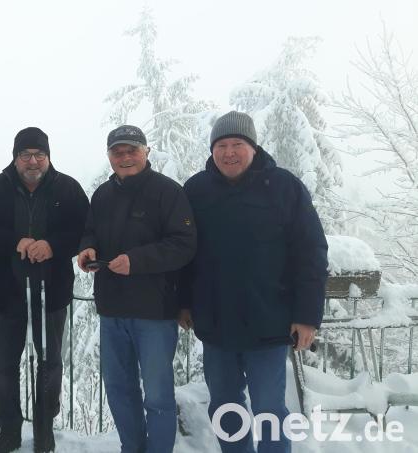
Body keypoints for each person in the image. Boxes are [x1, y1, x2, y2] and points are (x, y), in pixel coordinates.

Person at [178, 111, 328, 453]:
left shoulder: (284, 187)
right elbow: (184, 252)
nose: (229, 152)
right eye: (222, 145)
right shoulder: (196, 190)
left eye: (237, 144)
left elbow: (312, 252)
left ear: (253, 147)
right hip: (216, 324)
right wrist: (183, 302)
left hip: (269, 322)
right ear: (212, 150)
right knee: (225, 409)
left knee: (269, 410)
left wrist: (307, 316)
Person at [77, 125, 197, 453]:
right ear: (110, 156)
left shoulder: (168, 192)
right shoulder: (102, 194)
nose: (125, 157)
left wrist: (136, 261)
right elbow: (90, 231)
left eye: (132, 150)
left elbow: (184, 245)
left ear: (146, 151)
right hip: (112, 310)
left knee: (157, 395)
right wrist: (87, 248)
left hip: (154, 313)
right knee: (118, 389)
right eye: (118, 151)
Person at [0, 127, 89, 453]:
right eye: (26, 154)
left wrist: (53, 245)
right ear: (16, 157)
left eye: (39, 154)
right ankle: (9, 430)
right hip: (5, 292)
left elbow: (84, 230)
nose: (33, 160)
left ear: (48, 157)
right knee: (6, 365)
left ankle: (44, 429)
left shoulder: (67, 188)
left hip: (51, 293)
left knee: (49, 364)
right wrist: (16, 242)